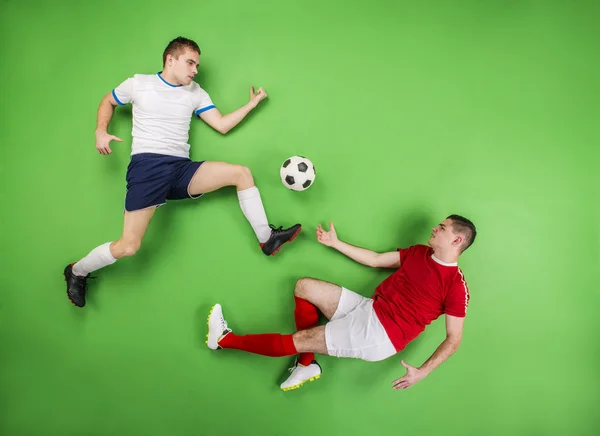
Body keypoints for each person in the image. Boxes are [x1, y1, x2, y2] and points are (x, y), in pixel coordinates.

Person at [64, 37, 301, 308]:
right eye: (190, 63)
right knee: (129, 247)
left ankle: (267, 239)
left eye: (197, 65)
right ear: (170, 60)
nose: (195, 70)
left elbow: (221, 125)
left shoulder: (195, 92)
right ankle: (77, 270)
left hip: (181, 169)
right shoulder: (139, 83)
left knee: (241, 173)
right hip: (148, 168)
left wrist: (253, 104)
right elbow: (108, 101)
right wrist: (100, 131)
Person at [206, 215, 476, 391]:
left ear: (456, 239)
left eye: (442, 227)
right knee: (304, 287)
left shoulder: (456, 286)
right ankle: (306, 365)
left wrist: (423, 372)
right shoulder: (420, 252)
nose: (434, 228)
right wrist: (336, 244)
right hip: (369, 308)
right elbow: (375, 259)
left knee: (299, 339)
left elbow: (454, 339)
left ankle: (223, 340)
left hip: (380, 334)